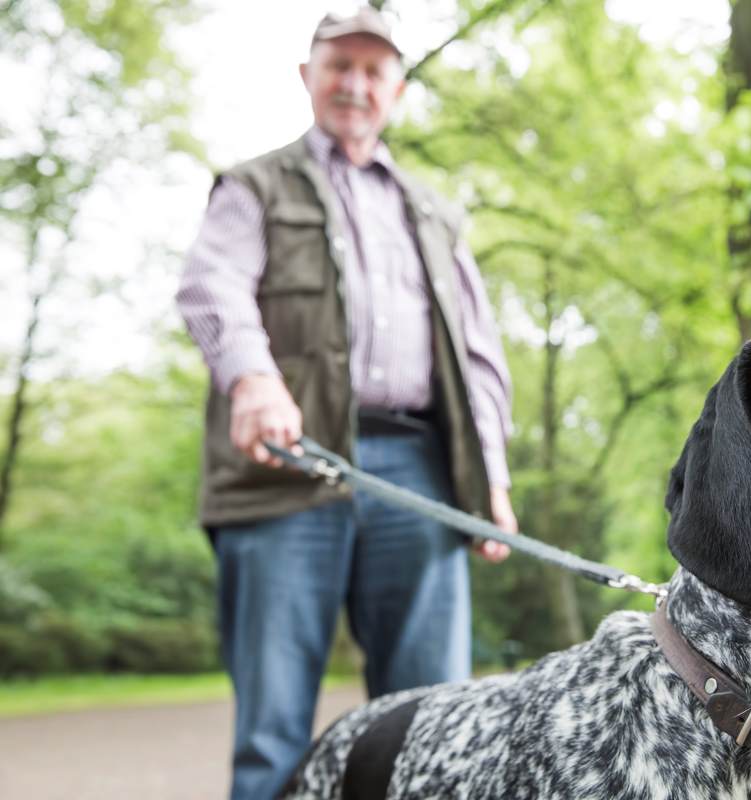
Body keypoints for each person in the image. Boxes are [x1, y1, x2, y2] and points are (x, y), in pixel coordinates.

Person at [175, 8, 517, 799]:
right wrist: (254, 379)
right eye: (340, 66)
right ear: (309, 76)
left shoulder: (434, 212)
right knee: (271, 734)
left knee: (435, 724)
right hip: (286, 467)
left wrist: (490, 479)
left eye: (374, 71)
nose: (355, 85)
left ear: (396, 87)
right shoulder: (254, 184)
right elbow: (211, 284)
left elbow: (478, 354)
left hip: (418, 474)